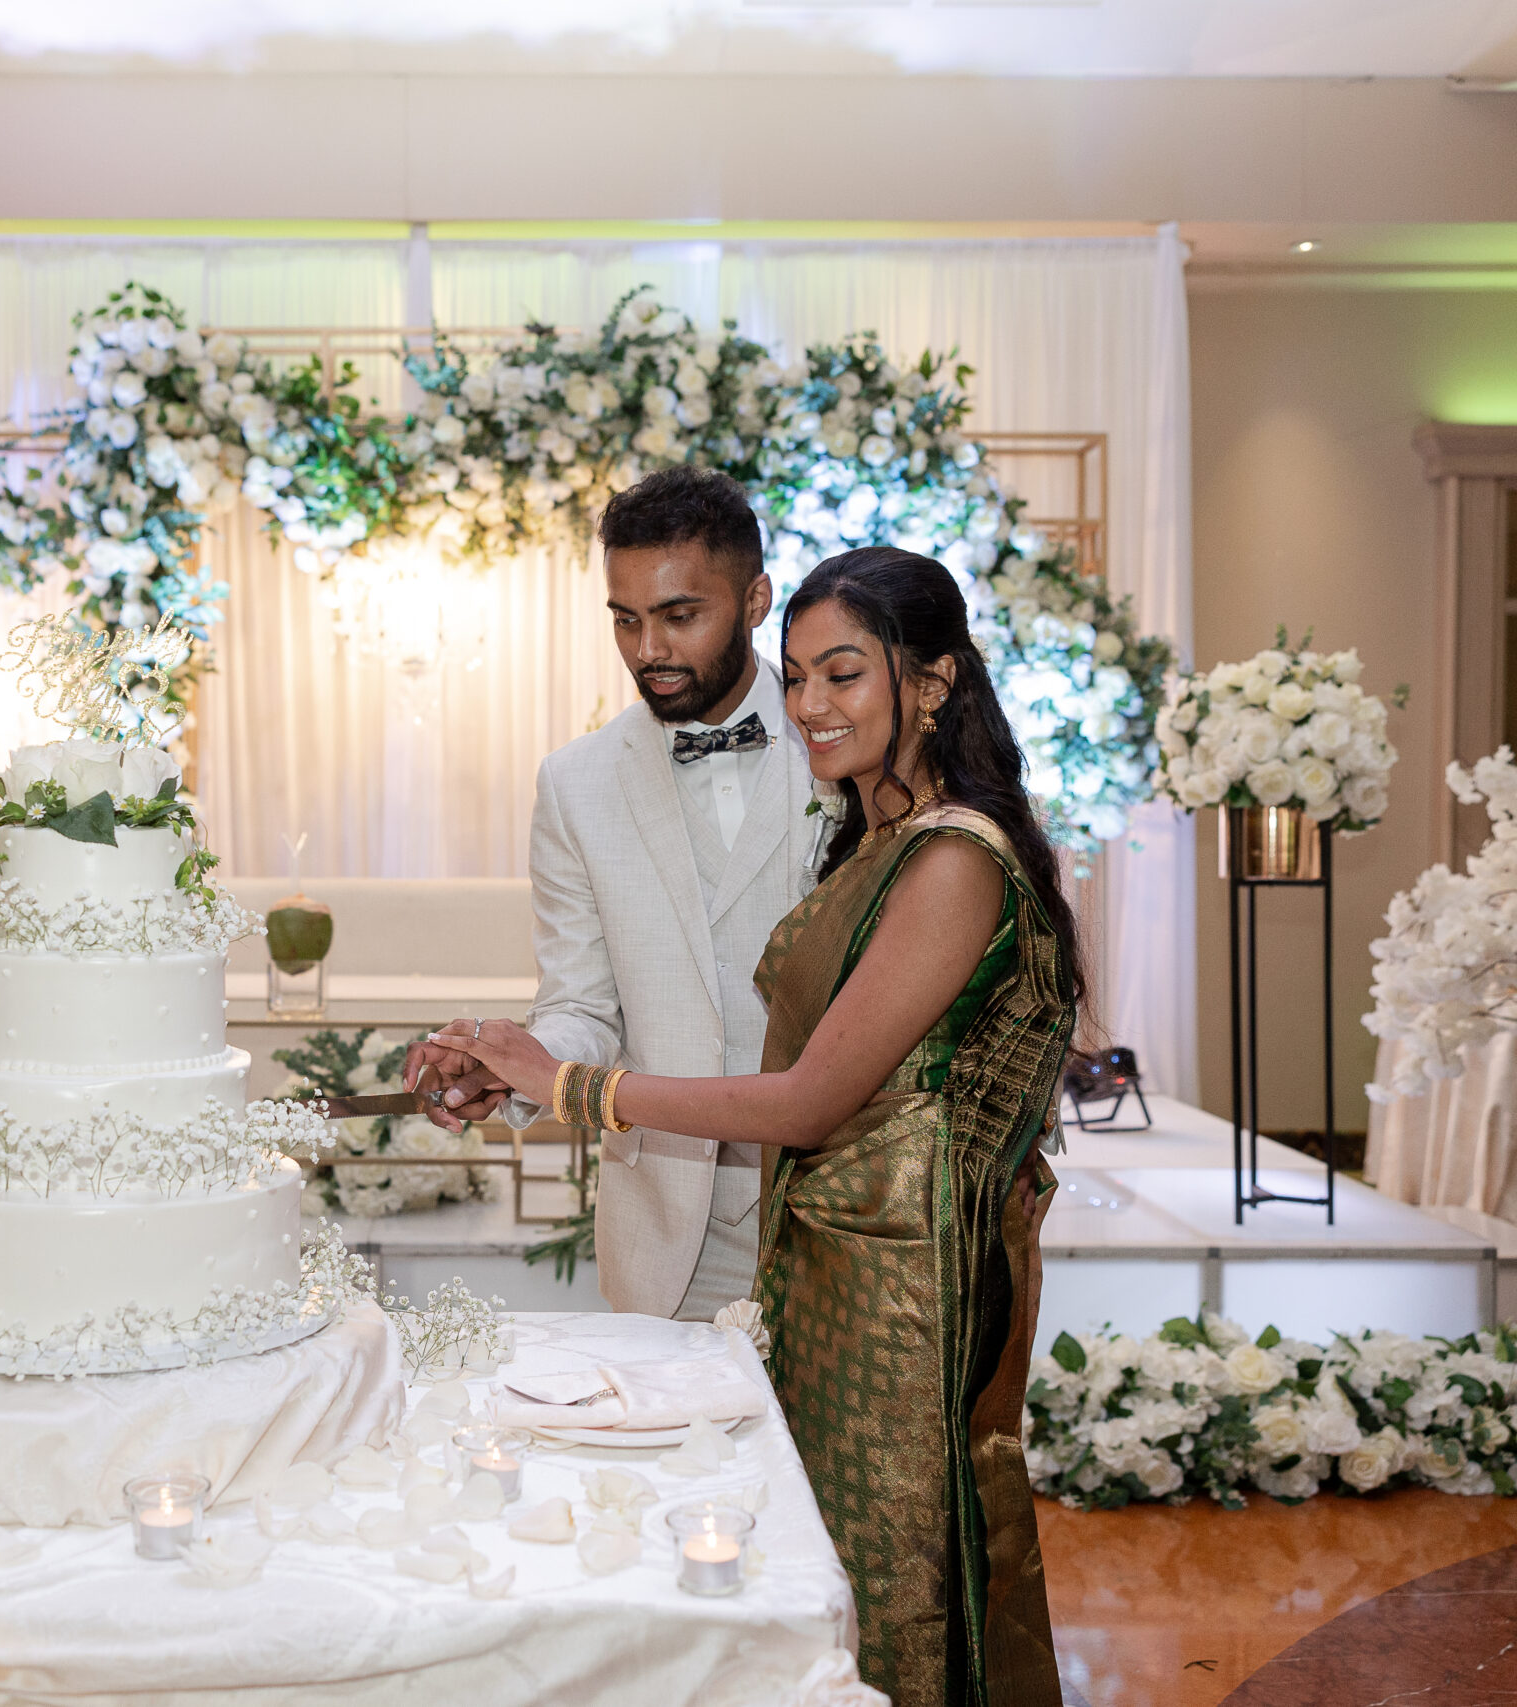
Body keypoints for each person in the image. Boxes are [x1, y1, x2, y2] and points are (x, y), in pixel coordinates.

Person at [429, 545, 1075, 1707]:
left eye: (843, 676)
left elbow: (810, 1099)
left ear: (929, 682)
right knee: (792, 1565)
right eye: (799, 681)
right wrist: (520, 1067)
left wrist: (577, 1090)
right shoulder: (869, 832)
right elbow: (586, 998)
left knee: (896, 1569)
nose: (812, 707)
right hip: (806, 1256)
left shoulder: (950, 857)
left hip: (902, 1279)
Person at [408, 465, 820, 1321]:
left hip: (842, 1213)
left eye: (680, 615)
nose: (649, 651)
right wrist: (511, 1061)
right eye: (626, 620)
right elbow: (584, 1007)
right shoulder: (576, 784)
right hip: (670, 1239)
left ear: (755, 600)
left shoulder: (846, 747)